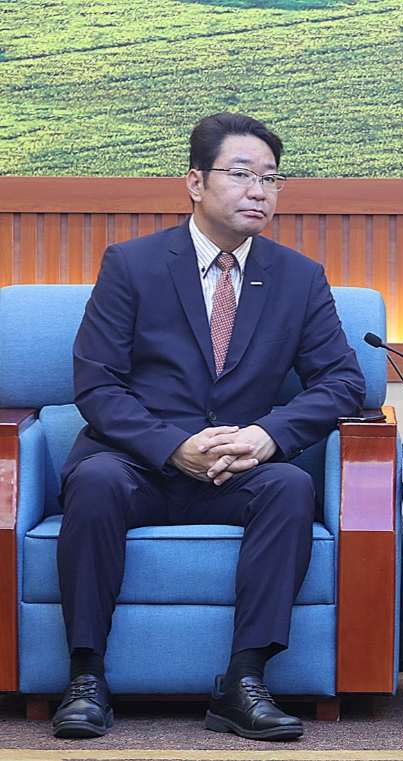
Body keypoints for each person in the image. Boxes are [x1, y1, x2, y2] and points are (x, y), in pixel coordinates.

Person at [50, 113, 366, 741]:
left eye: (271, 179)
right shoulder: (132, 265)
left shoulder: (298, 277)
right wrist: (173, 446)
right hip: (139, 462)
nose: (259, 191)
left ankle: (244, 682)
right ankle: (85, 678)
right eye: (242, 174)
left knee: (290, 487)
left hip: (238, 466)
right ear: (195, 182)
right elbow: (97, 383)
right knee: (94, 481)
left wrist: (267, 436)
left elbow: (342, 381)